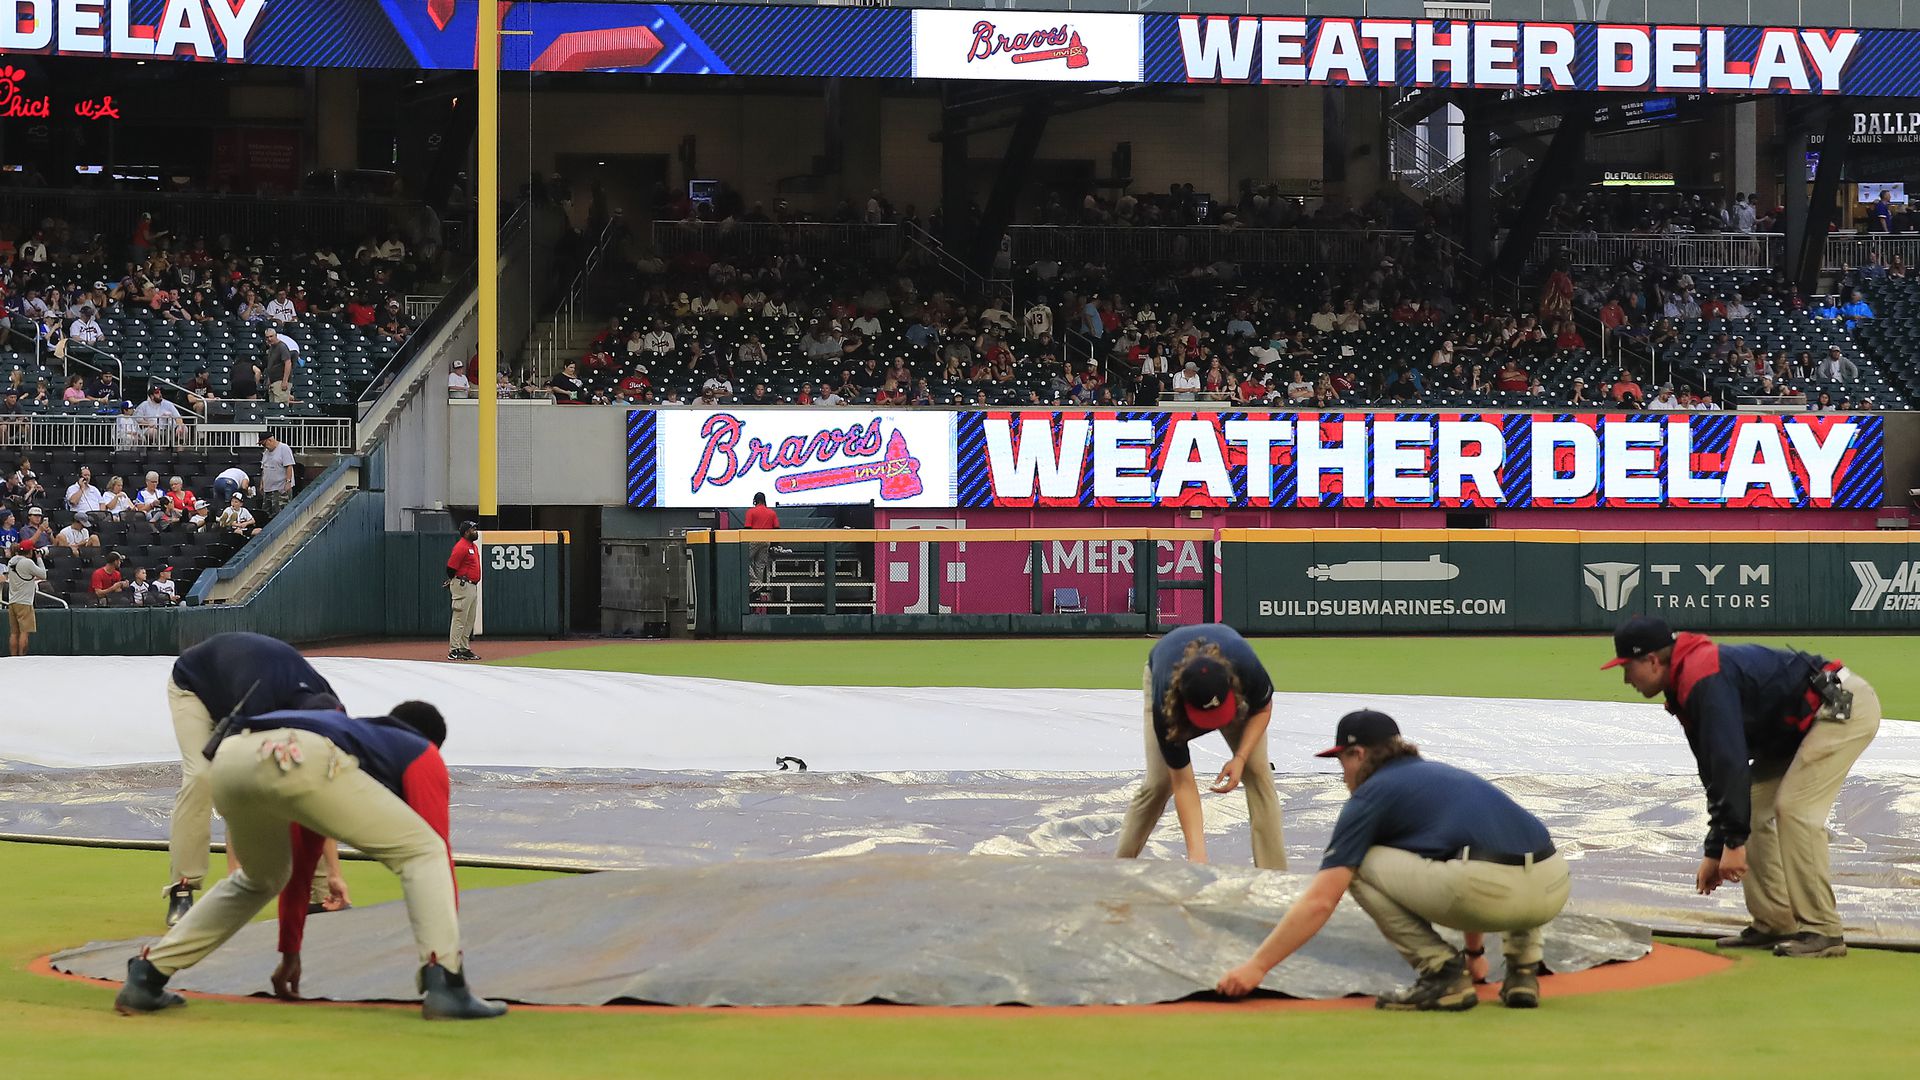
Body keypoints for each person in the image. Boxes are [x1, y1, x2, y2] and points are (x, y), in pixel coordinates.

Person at [113, 701, 508, 1021]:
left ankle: (148, 975)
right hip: (299, 754)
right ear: (433, 743)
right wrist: (450, 954)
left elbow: (301, 863)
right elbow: (436, 850)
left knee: (261, 877)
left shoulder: (352, 740)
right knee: (425, 852)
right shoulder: (420, 752)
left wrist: (290, 953)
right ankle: (447, 983)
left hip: (231, 756)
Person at [1216, 710, 1568, 1011]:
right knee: (1496, 854)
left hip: (1485, 890)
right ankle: (1522, 972)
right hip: (1552, 886)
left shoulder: (1372, 795)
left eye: (1342, 762)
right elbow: (1475, 846)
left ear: (1358, 753)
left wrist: (1257, 967)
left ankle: (1442, 973)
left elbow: (1322, 900)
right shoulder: (1445, 776)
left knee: (1357, 865)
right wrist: (1475, 953)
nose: (1343, 776)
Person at [1605, 615, 1882, 958]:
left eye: (1627, 667)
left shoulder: (1704, 678)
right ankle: (1774, 922)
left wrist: (1734, 843)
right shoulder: (1684, 685)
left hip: (1839, 707)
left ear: (1651, 660)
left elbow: (1731, 761)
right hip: (1798, 727)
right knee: (1751, 801)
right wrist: (1716, 847)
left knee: (1794, 809)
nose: (1625, 678)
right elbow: (1714, 773)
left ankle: (1822, 930)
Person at [160, 632, 350, 927]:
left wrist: (336, 876)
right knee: (203, 776)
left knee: (300, 784)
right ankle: (182, 888)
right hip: (194, 686)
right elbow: (236, 786)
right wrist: (235, 883)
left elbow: (321, 795)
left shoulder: (332, 711)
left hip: (239, 680)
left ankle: (322, 894)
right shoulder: (262, 704)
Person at [1116, 624, 1285, 870]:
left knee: (1258, 773)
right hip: (1163, 669)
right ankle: (1118, 869)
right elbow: (1183, 783)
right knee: (1159, 783)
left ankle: (1274, 878)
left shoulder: (1245, 665)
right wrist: (1197, 857)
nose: (1216, 724)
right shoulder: (1167, 706)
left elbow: (1263, 709)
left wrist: (1240, 757)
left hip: (1231, 685)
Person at [444, 520, 481, 661]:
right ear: (466, 532)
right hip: (463, 585)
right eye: (473, 529)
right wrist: (453, 580)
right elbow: (450, 567)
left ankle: (464, 648)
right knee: (460, 618)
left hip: (471, 586)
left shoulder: (473, 546)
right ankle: (454, 649)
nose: (475, 531)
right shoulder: (461, 546)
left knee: (469, 619)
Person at [7, 538, 45, 655]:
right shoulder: (27, 562)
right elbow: (43, 574)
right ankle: (21, 657)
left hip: (12, 602)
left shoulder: (12, 561)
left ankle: (13, 657)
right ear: (30, 552)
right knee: (24, 632)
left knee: (14, 633)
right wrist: (39, 558)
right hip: (24, 603)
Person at [743, 491, 779, 587]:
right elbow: (777, 529)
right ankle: (757, 588)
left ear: (755, 501)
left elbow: (747, 528)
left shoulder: (751, 512)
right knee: (760, 565)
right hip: (766, 541)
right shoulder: (772, 513)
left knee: (744, 560)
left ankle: (755, 583)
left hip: (754, 540)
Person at [258, 432, 296, 516]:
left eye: (264, 444)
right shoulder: (266, 453)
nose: (263, 447)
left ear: (270, 440)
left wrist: (288, 482)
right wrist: (262, 483)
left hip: (280, 489)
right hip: (268, 489)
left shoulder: (284, 448)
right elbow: (264, 468)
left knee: (279, 514)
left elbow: (289, 466)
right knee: (266, 514)